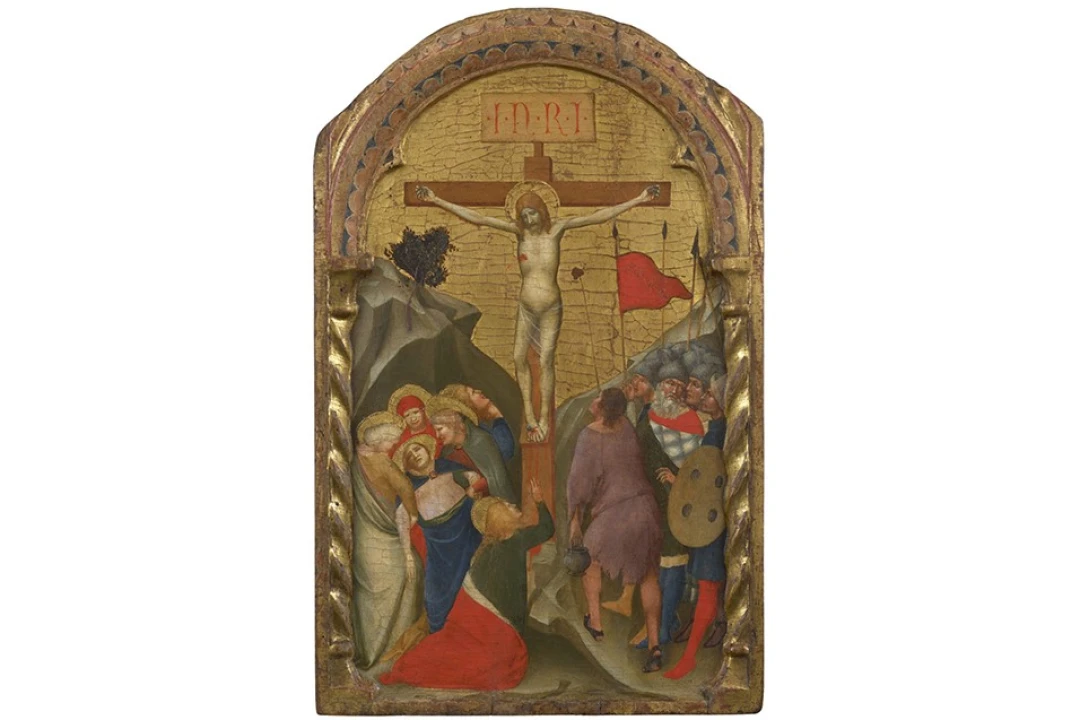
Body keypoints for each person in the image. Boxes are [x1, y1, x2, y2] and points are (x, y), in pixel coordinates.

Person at [417, 182, 660, 443]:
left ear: (542, 211)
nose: (529, 219)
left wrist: (638, 200)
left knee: (545, 361)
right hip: (526, 306)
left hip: (550, 306)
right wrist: (437, 200)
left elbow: (596, 216)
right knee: (518, 357)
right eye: (524, 215)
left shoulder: (556, 230)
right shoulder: (519, 234)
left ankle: (544, 418)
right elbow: (479, 218)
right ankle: (530, 416)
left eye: (532, 213)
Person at [380, 478, 554, 690]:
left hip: (484, 616)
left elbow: (546, 530)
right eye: (506, 506)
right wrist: (539, 502)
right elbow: (546, 529)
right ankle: (410, 666)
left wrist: (539, 501)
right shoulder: (509, 543)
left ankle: (413, 663)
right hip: (478, 616)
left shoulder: (509, 541)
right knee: (496, 664)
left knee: (486, 657)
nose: (512, 505)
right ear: (499, 518)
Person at [567, 387, 665, 673]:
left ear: (601, 407)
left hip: (615, 514)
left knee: (589, 559)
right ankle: (655, 646)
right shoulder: (627, 428)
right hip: (645, 509)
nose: (593, 400)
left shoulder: (589, 436)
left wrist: (575, 519)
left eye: (597, 398)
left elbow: (578, 485)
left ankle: (595, 622)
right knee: (648, 574)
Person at [633, 357, 705, 649]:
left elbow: (701, 468)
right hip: (650, 502)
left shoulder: (691, 421)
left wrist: (677, 479)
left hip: (677, 505)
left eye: (678, 384)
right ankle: (663, 623)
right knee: (657, 567)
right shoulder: (649, 415)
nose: (673, 390)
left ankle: (662, 630)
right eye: (668, 383)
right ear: (659, 386)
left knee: (673, 565)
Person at [665, 371, 729, 680]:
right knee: (705, 585)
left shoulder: (722, 431)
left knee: (708, 587)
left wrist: (680, 482)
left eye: (711, 394)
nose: (704, 397)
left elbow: (711, 480)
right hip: (706, 520)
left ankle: (689, 657)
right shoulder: (715, 428)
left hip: (712, 525)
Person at [349, 412, 423, 670]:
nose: (394, 444)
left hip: (363, 537)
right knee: (410, 572)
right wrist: (413, 514)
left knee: (369, 588)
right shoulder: (381, 461)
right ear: (379, 439)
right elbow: (405, 487)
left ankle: (370, 650)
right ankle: (393, 647)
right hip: (378, 535)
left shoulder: (353, 459)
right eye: (391, 440)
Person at [388, 384, 439, 456]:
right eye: (407, 415)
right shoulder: (401, 440)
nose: (413, 418)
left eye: (415, 412)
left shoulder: (436, 431)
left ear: (423, 410)